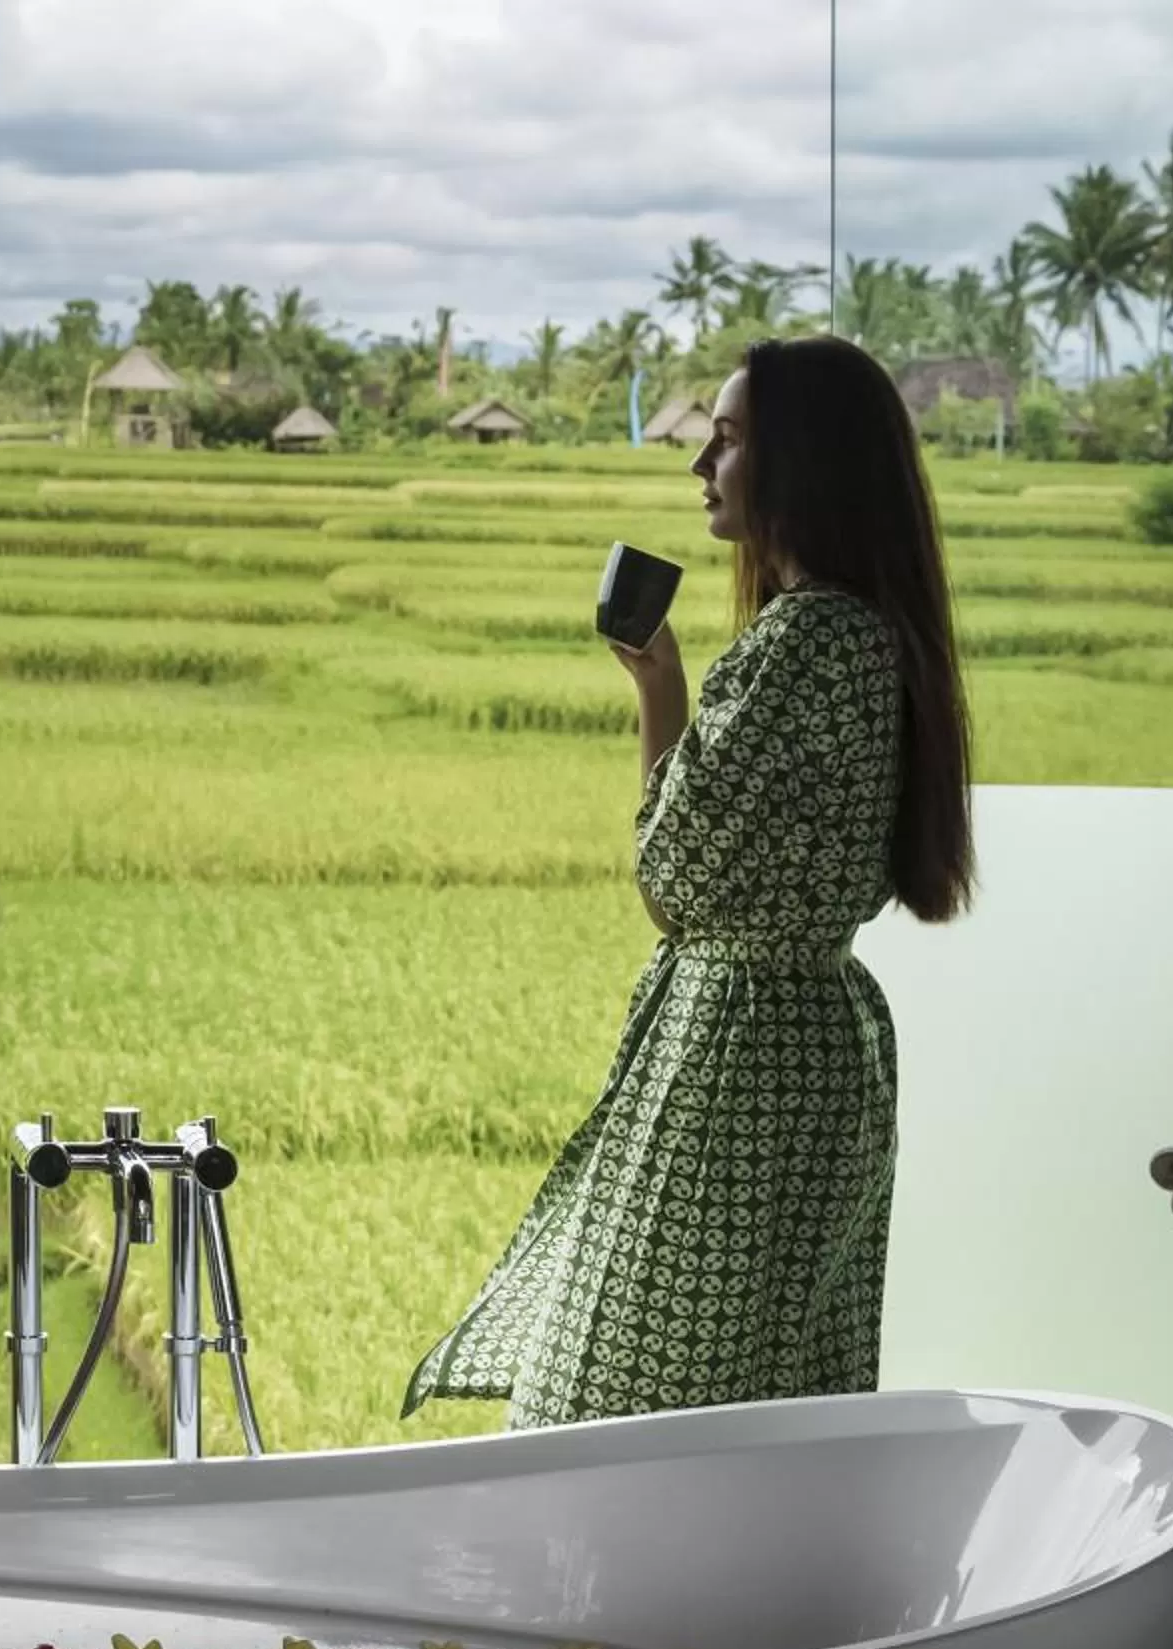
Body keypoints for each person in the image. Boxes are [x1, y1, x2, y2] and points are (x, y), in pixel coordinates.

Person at [404, 335, 975, 1428]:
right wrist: (664, 684)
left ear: (800, 462)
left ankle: (629, 1597)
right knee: (763, 1388)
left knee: (636, 1393)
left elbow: (674, 879)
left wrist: (667, 711)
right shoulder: (866, 636)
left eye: (727, 439)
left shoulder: (804, 642)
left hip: (739, 1058)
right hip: (813, 1049)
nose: (700, 466)